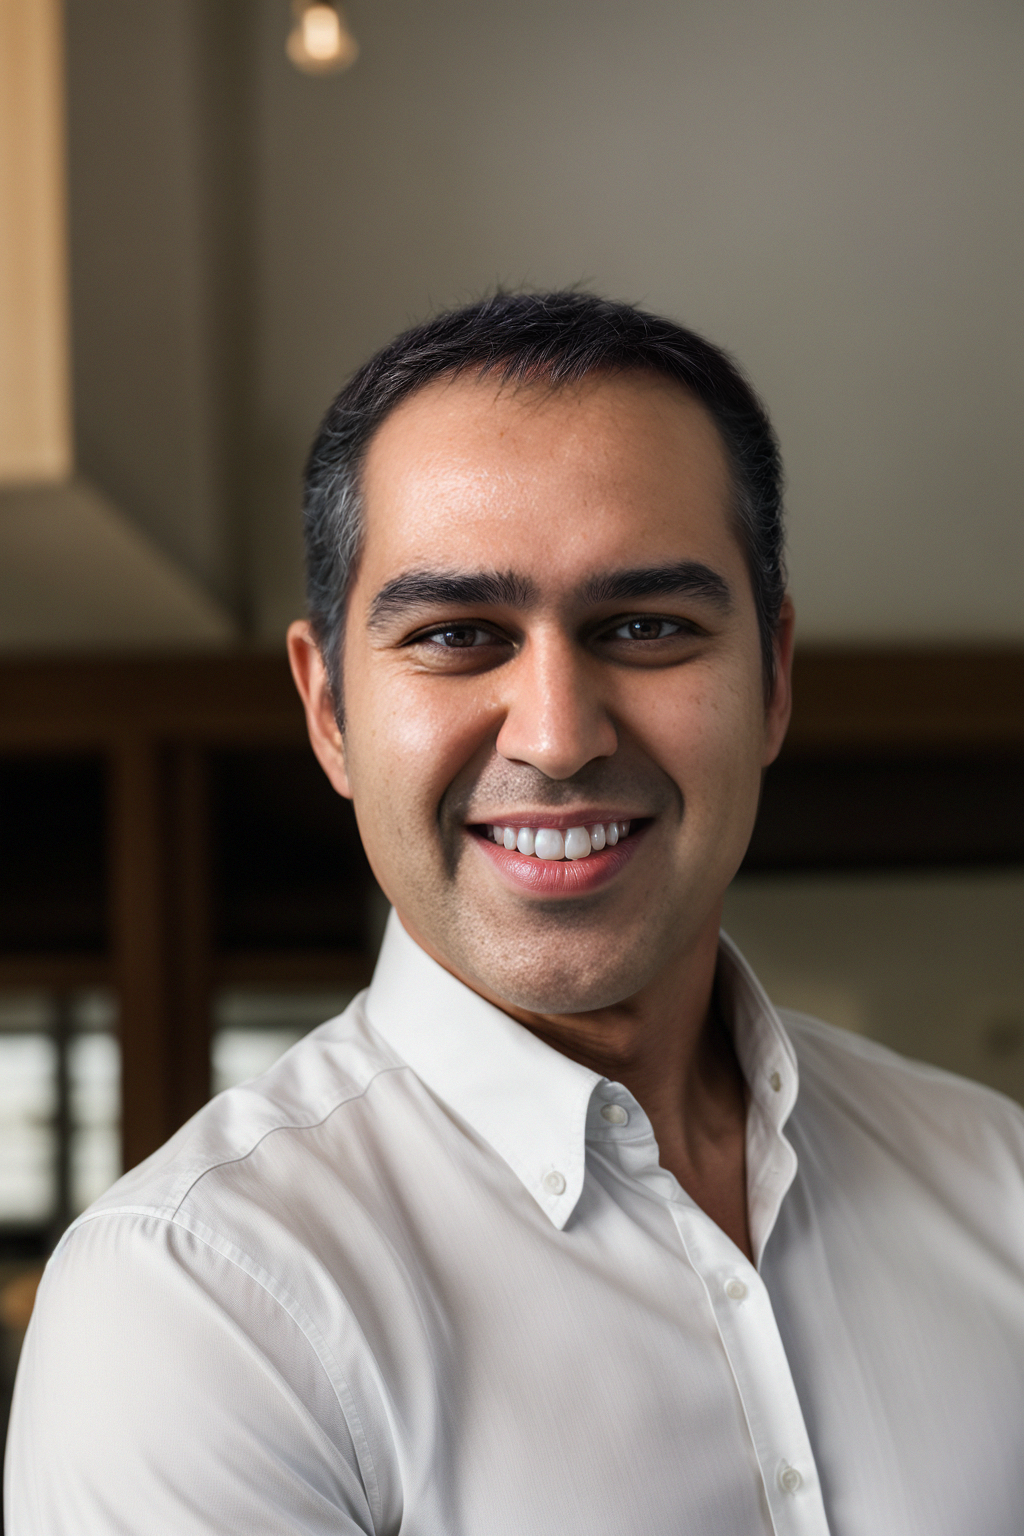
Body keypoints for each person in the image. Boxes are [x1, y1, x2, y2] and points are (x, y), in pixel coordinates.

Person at [7, 292, 1024, 1535]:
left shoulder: (997, 1182)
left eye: (645, 627)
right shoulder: (198, 1306)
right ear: (329, 712)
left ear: (771, 678)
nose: (555, 736)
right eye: (456, 635)